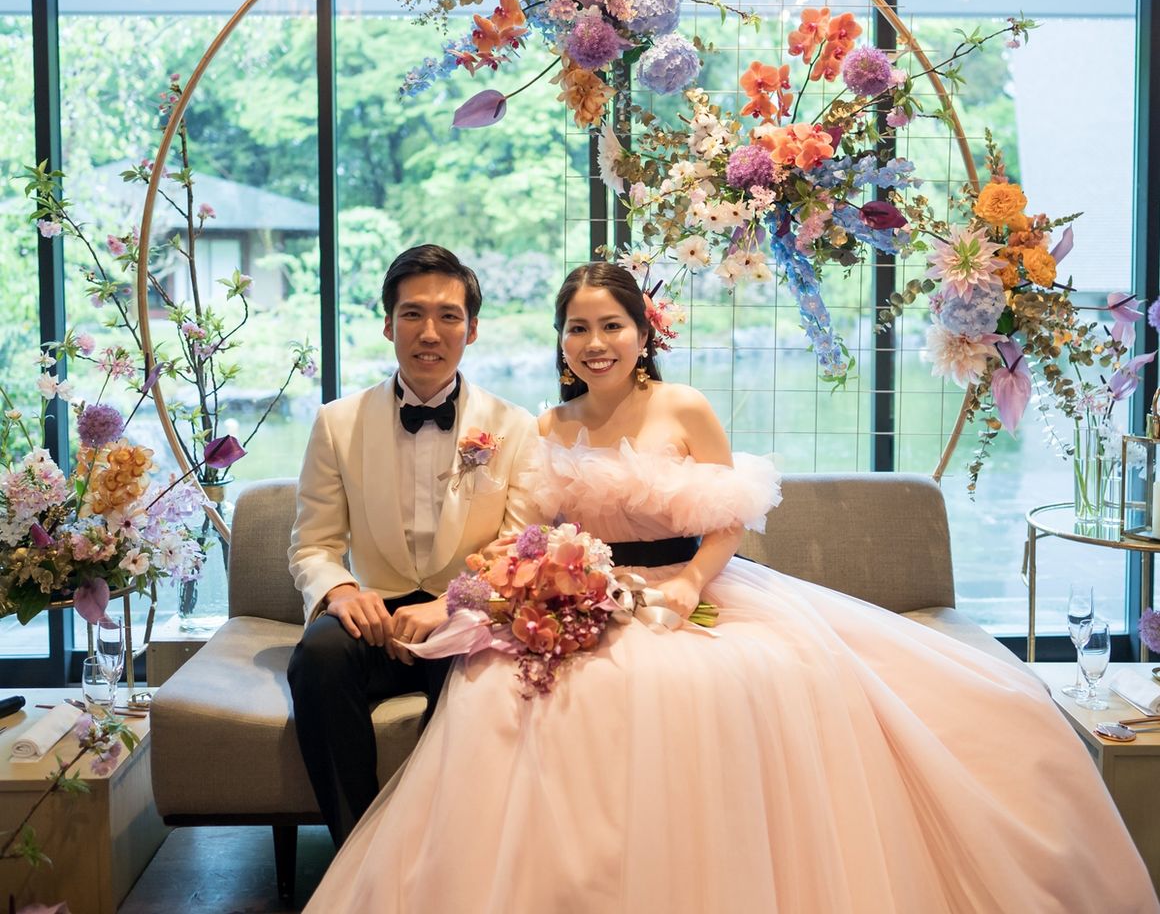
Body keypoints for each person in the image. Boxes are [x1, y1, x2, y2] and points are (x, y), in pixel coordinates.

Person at [303, 261, 1159, 912]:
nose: (595, 343)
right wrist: (546, 585)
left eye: (611, 325)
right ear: (560, 341)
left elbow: (730, 516)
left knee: (723, 677)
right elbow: (524, 531)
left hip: (691, 583)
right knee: (509, 686)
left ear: (643, 332)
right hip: (585, 593)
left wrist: (687, 584)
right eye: (577, 329)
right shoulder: (545, 424)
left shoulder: (683, 408)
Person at [286, 244, 537, 847]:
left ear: (471, 329)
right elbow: (313, 544)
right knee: (317, 659)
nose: (430, 332)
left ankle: (454, 853)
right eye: (412, 314)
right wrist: (342, 590)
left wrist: (451, 605)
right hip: (376, 614)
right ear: (387, 324)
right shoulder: (337, 423)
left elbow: (518, 550)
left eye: (449, 316)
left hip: (467, 614)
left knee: (490, 675)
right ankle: (357, 849)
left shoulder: (516, 427)